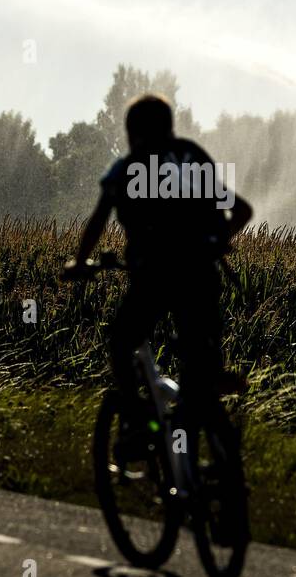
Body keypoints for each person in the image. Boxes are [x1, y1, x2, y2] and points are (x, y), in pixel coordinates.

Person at [63, 93, 253, 456]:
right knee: (200, 360)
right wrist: (215, 244)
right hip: (201, 276)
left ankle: (136, 423)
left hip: (153, 279)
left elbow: (99, 219)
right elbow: (241, 210)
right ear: (170, 126)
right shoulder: (191, 159)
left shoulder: (126, 169)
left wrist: (79, 262)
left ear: (132, 132)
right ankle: (206, 426)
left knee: (121, 343)